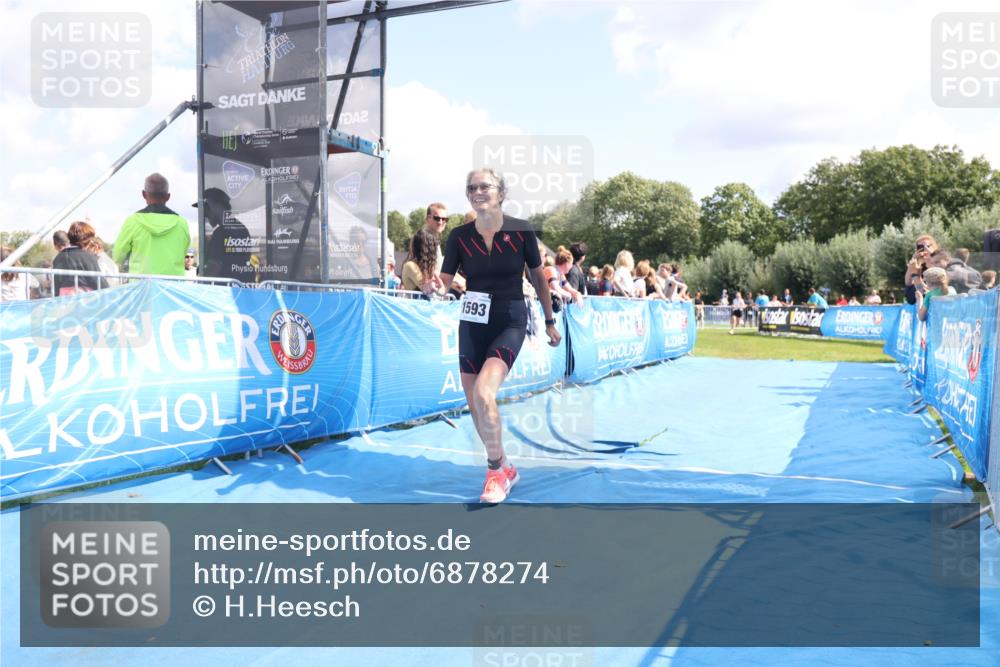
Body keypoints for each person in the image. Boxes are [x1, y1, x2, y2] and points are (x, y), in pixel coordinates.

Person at [439, 167, 560, 504]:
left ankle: (494, 473)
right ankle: (505, 466)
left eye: (485, 186)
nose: (478, 191)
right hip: (472, 322)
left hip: (510, 318)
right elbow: (444, 281)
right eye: (471, 187)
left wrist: (550, 321)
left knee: (484, 392)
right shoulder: (458, 236)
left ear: (501, 193)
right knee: (474, 403)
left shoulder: (521, 231)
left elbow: (538, 279)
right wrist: (435, 286)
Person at [115, 173, 191, 276]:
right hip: (172, 288)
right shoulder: (182, 223)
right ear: (168, 197)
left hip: (142, 288)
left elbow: (118, 257)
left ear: (144, 194)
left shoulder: (132, 221)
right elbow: (184, 252)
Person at [195, 186, 253, 280]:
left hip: (223, 289)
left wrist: (201, 281)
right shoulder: (241, 228)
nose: (205, 215)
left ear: (215, 206)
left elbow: (214, 267)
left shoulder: (221, 232)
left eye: (206, 209)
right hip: (239, 285)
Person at [53, 221, 107, 295]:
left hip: (64, 301)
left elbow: (56, 284)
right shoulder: (88, 256)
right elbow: (99, 282)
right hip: (86, 301)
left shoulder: (58, 258)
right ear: (86, 240)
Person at [402, 229, 445, 298]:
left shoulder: (431, 268)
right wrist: (439, 287)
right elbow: (427, 289)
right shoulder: (410, 266)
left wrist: (440, 287)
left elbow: (441, 292)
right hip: (415, 308)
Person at [904, 234, 943, 305]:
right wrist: (912, 264)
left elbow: (928, 291)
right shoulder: (920, 266)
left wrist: (932, 255)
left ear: (934, 247)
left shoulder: (941, 262)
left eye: (927, 246)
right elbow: (909, 290)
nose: (924, 249)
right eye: (920, 247)